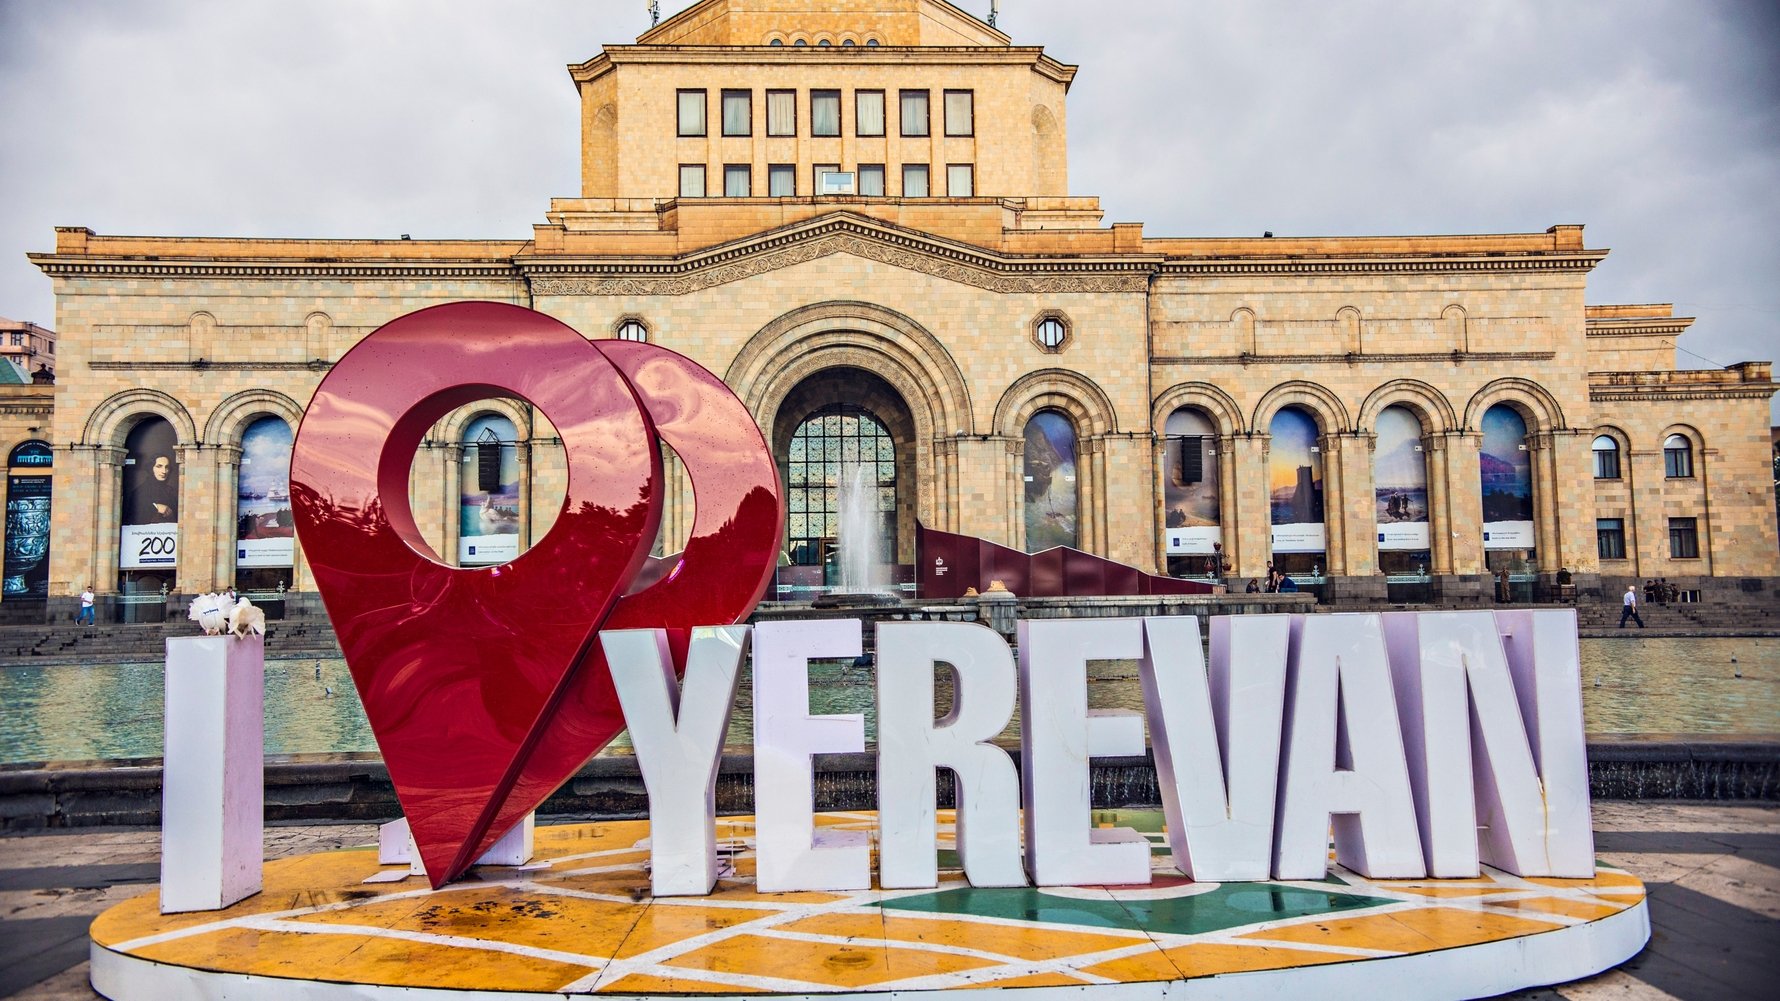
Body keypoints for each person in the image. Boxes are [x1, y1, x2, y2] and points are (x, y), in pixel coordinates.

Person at [127, 454, 178, 523]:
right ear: (151, 468)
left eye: (167, 467)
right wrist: (156, 507)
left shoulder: (171, 491)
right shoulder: (139, 491)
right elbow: (132, 515)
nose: (164, 471)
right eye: (159, 466)